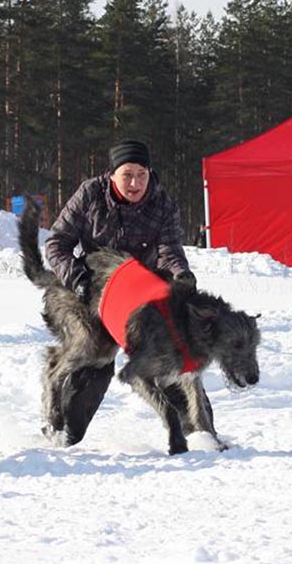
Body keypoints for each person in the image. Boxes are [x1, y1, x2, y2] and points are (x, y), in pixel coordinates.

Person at [42, 138, 196, 440]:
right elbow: (56, 243)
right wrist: (77, 278)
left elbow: (169, 250)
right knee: (95, 365)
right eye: (127, 175)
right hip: (92, 295)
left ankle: (197, 435)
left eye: (141, 174)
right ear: (112, 174)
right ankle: (61, 430)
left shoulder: (162, 203)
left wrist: (182, 275)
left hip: (140, 299)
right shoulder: (89, 194)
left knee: (171, 359)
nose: (135, 183)